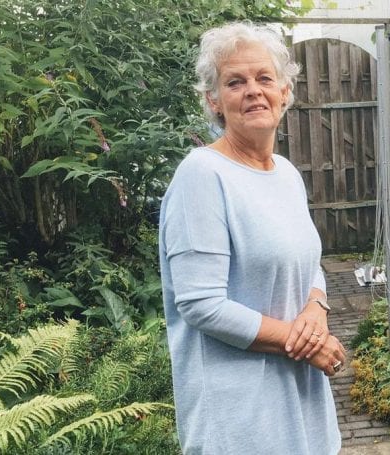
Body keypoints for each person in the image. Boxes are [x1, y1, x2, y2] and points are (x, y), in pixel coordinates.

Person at [158, 22, 345, 454]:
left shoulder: (286, 174)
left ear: (284, 90)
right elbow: (201, 303)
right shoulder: (202, 175)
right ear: (214, 101)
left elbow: (308, 263)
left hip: (302, 408)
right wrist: (303, 344)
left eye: (264, 78)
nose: (253, 91)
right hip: (240, 423)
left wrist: (316, 309)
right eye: (235, 82)